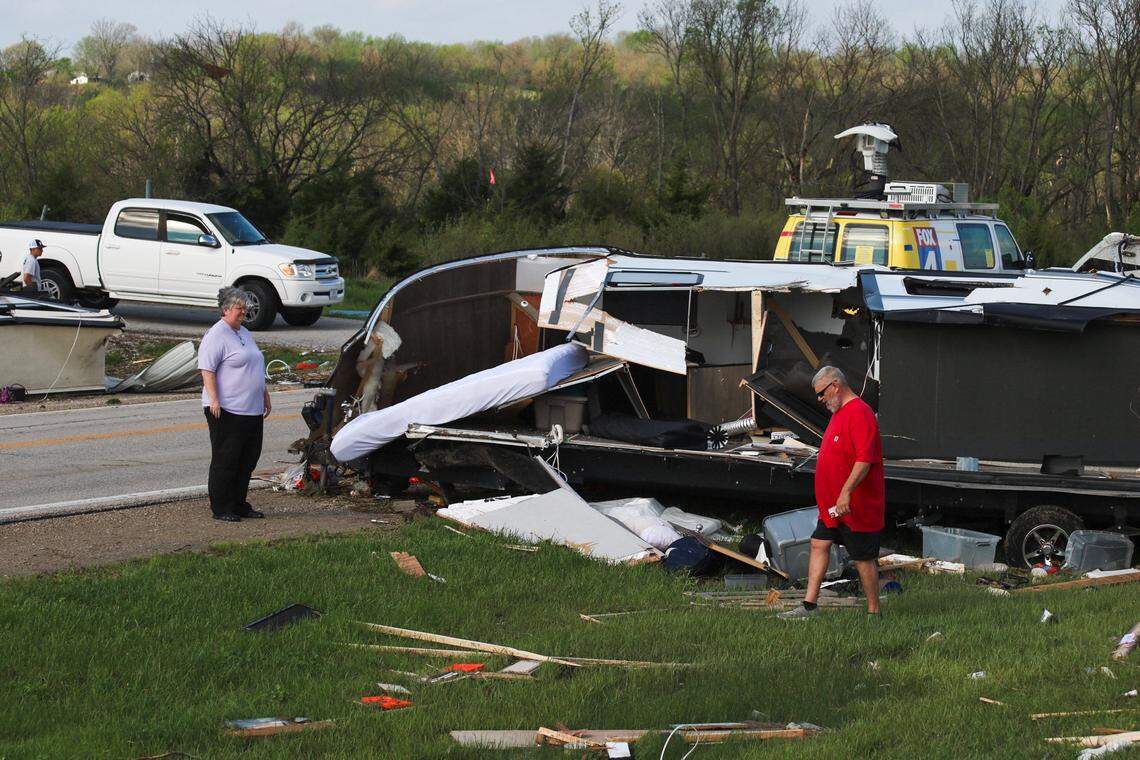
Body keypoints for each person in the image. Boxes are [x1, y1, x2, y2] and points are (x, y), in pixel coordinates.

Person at [779, 366, 885, 619]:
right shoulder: (839, 413)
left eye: (822, 393)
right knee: (818, 543)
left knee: (863, 558)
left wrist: (846, 492)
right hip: (832, 506)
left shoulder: (860, 413)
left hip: (854, 503)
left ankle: (874, 612)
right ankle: (809, 605)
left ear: (835, 386)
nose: (820, 399)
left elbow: (864, 459)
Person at [199, 287, 271, 522]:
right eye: (240, 308)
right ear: (226, 309)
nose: (244, 312)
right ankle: (221, 507)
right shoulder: (216, 335)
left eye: (246, 308)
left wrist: (264, 393)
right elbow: (207, 370)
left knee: (248, 458)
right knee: (226, 459)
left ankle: (239, 503)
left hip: (251, 408)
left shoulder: (245, 333)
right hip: (228, 409)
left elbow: (254, 366)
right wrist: (214, 400)